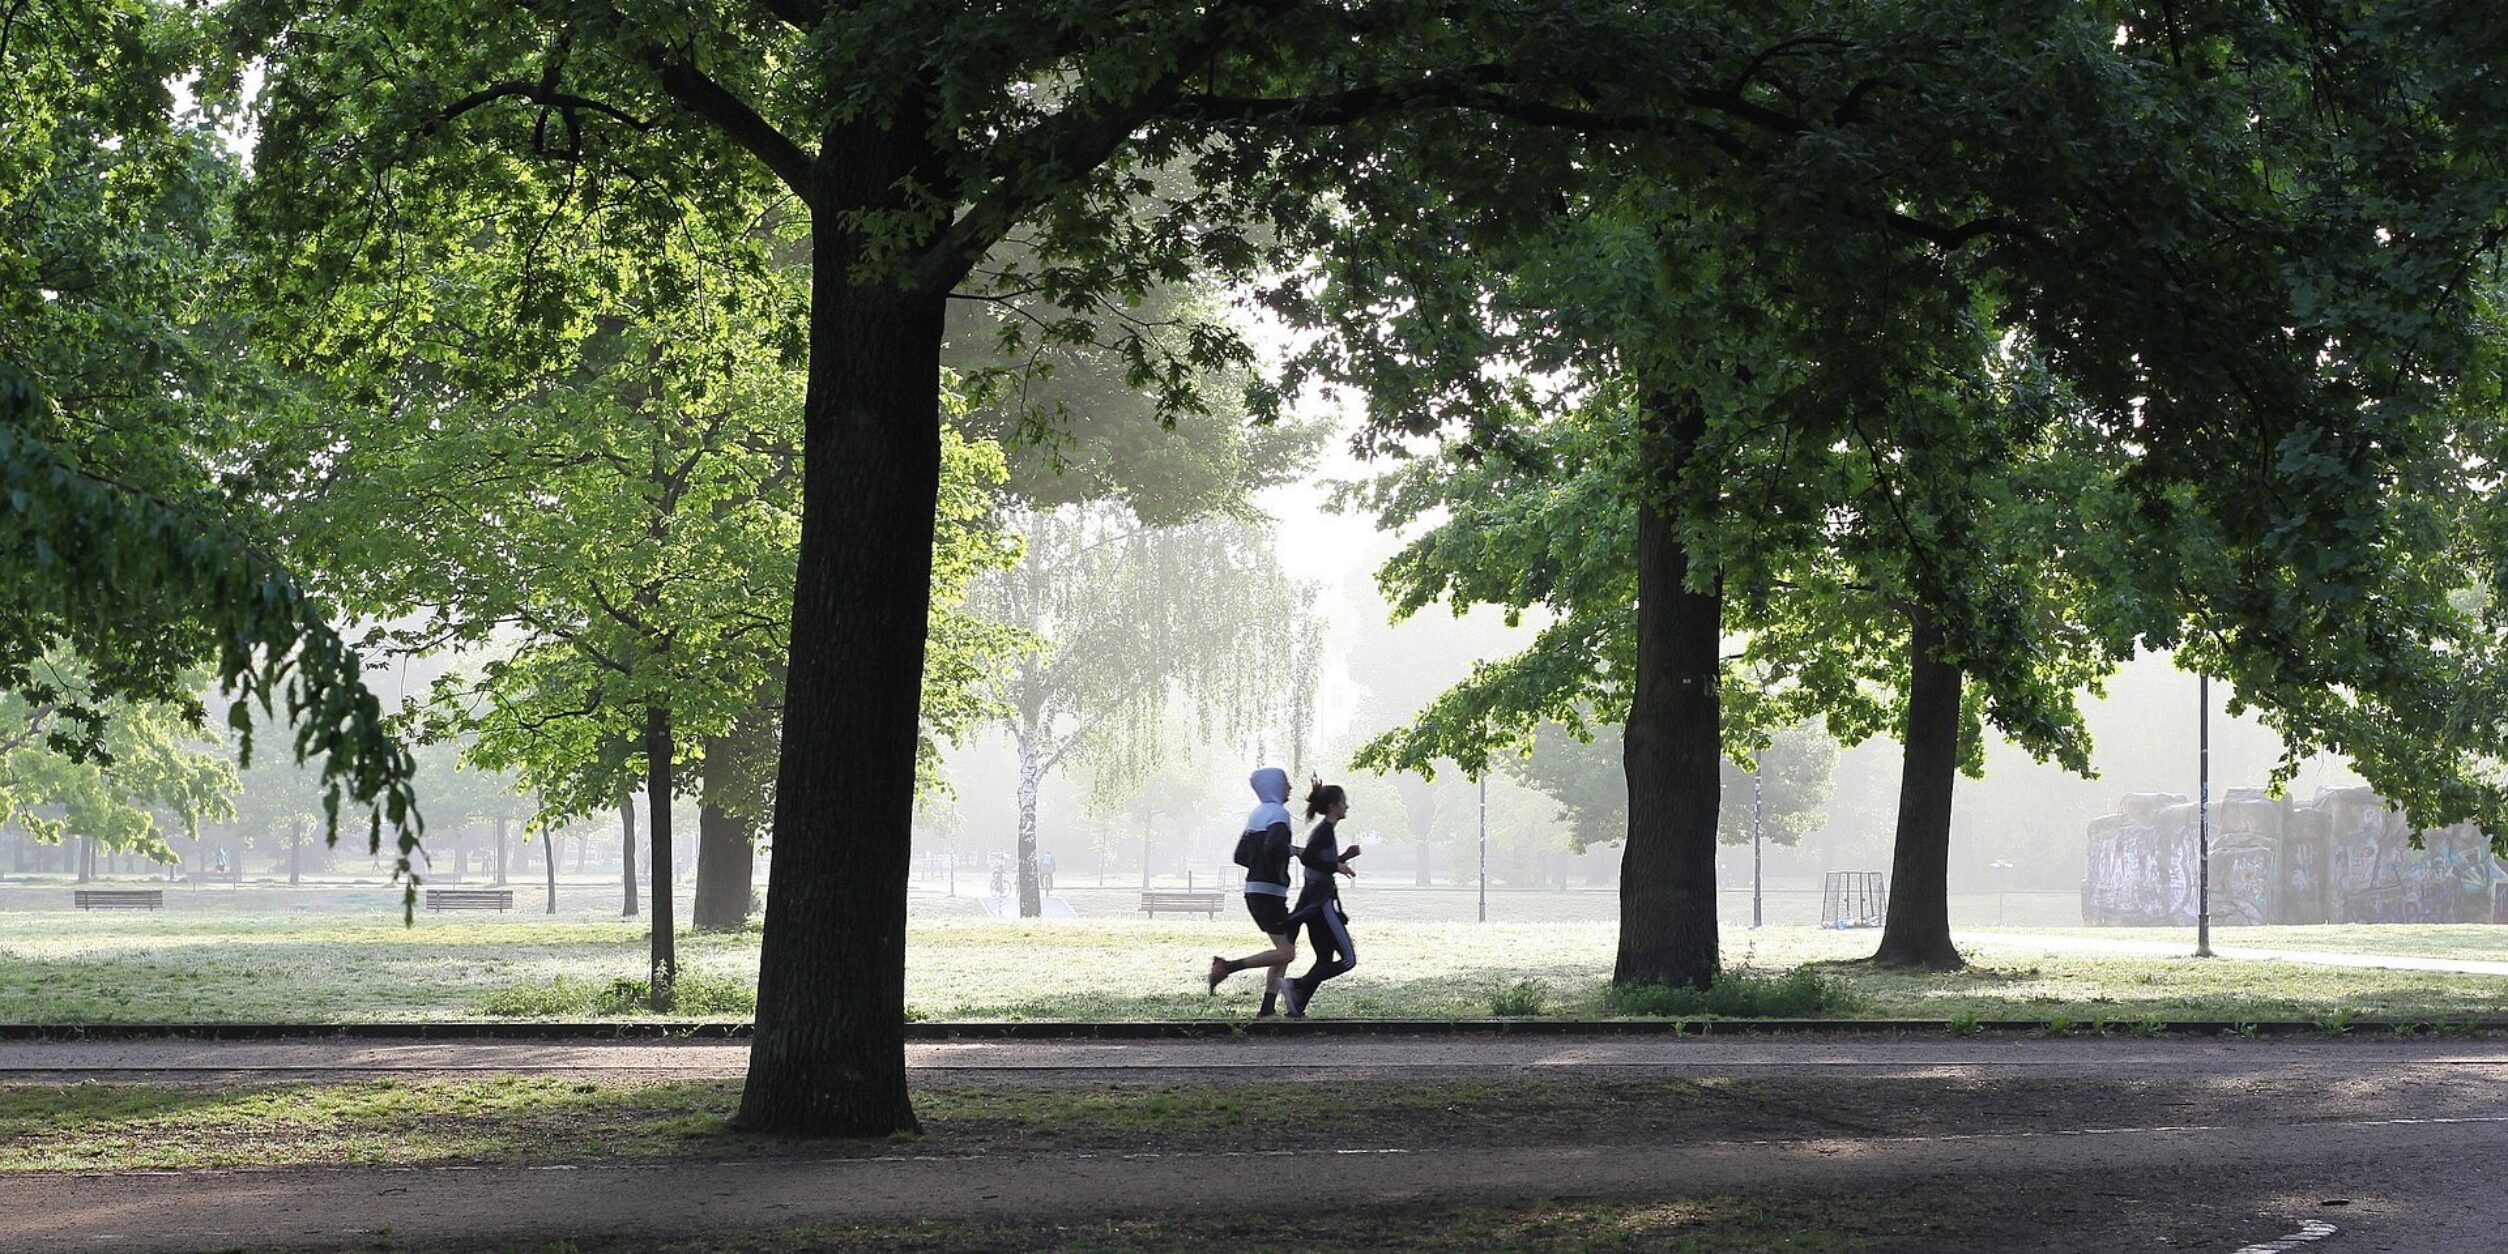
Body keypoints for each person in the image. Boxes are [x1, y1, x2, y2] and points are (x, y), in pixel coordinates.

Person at [1207, 766, 1299, 1016]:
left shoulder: (1258, 814)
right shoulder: (1279, 813)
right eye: (1285, 783)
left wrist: (1261, 866)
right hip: (1269, 892)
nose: (1290, 787)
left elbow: (1240, 855)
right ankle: (1228, 967)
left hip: (1257, 890)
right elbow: (1274, 847)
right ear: (1275, 786)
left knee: (1283, 951)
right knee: (1286, 952)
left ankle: (1267, 1008)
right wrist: (1292, 853)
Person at [1283, 779, 1360, 1019]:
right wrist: (1337, 866)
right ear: (1333, 806)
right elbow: (1308, 859)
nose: (1346, 806)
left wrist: (1343, 858)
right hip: (1322, 902)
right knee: (1348, 960)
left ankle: (1297, 1006)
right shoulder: (1324, 831)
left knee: (1324, 958)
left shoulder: (1325, 832)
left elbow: (1318, 862)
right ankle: (1296, 984)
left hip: (1314, 902)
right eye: (1343, 802)